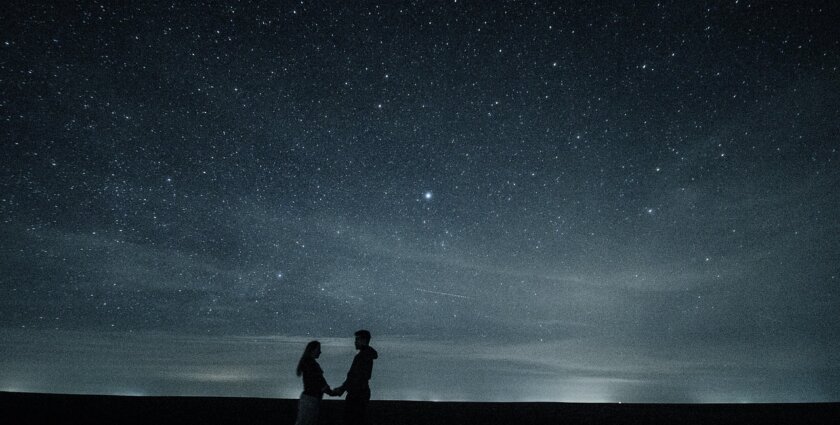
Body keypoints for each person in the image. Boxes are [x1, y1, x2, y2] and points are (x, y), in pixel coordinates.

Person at [333, 330, 378, 425]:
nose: (355, 342)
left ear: (364, 340)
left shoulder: (362, 357)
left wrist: (342, 388)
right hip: (361, 392)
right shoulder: (366, 355)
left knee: (351, 420)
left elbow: (354, 376)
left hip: (357, 394)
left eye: (357, 339)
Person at [294, 340, 334, 425]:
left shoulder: (308, 363)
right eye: (318, 349)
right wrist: (331, 392)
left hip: (310, 399)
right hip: (311, 400)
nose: (320, 352)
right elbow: (319, 381)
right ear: (312, 350)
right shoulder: (311, 364)